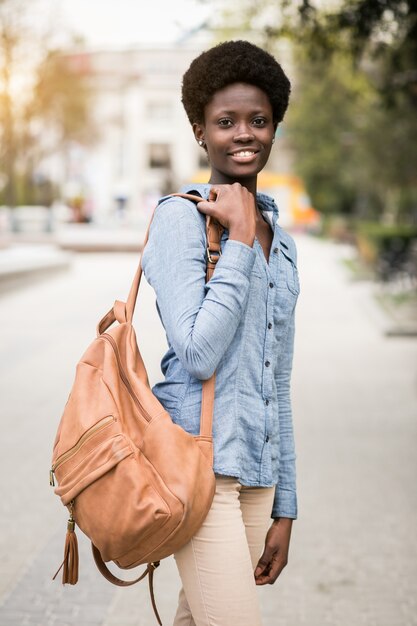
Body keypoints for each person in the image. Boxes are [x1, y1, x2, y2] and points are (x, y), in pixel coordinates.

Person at [141, 40, 299, 626]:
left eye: (258, 121)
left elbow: (277, 382)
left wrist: (287, 506)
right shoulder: (180, 219)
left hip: (257, 475)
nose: (244, 135)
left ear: (274, 128)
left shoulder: (278, 237)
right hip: (199, 470)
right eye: (225, 121)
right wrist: (234, 238)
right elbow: (197, 352)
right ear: (199, 131)